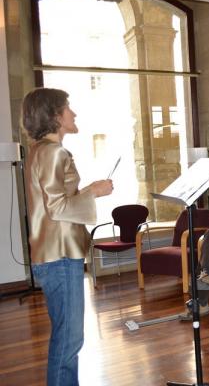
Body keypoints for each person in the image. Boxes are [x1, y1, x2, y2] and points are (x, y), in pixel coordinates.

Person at [23, 88, 113, 386]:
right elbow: (59, 207)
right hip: (59, 257)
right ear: (54, 116)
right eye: (68, 108)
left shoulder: (39, 151)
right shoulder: (53, 152)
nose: (73, 114)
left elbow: (55, 201)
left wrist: (88, 190)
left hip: (54, 255)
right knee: (69, 339)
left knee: (66, 336)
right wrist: (94, 191)